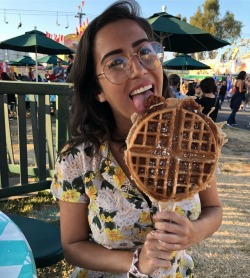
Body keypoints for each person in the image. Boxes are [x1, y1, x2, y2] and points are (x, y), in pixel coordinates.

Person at [50, 1, 223, 277]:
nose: (139, 69)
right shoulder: (77, 159)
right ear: (98, 91)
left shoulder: (194, 139)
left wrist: (193, 232)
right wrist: (135, 262)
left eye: (145, 51)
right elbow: (72, 246)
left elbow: (213, 209)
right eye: (116, 62)